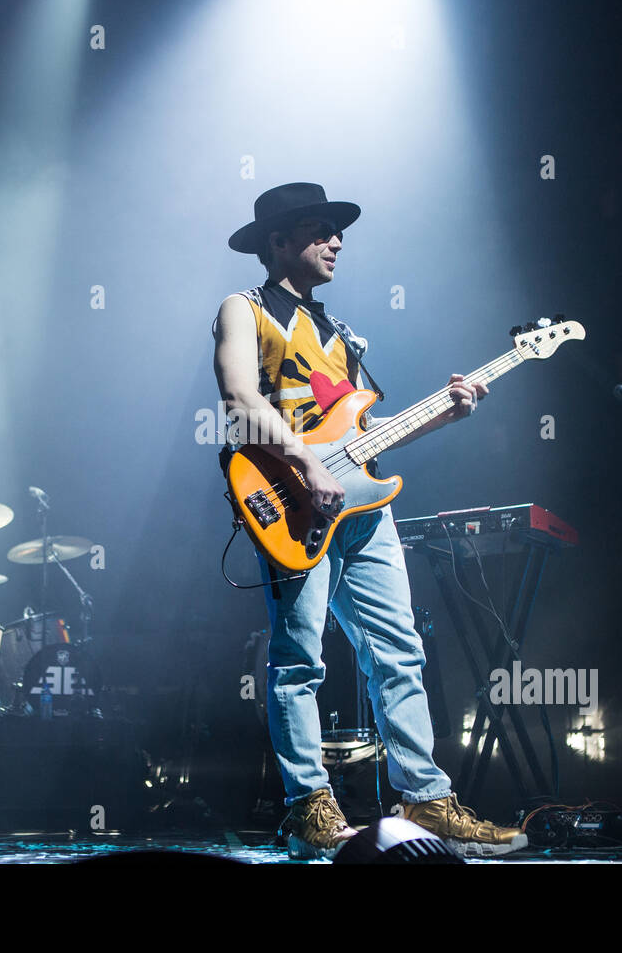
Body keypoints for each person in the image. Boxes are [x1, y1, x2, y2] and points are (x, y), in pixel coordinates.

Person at [213, 182, 528, 860]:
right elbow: (239, 396)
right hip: (289, 500)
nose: (336, 241)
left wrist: (448, 411)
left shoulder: (342, 335)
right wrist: (307, 465)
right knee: (299, 660)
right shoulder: (244, 309)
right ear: (276, 241)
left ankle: (428, 801)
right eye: (320, 229)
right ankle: (308, 806)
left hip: (363, 510)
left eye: (338, 230)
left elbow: (366, 435)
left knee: (400, 652)